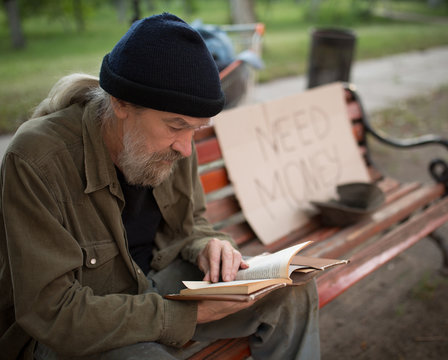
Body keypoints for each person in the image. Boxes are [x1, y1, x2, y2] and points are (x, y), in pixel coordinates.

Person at [0, 13, 320, 360]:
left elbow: (193, 221)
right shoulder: (37, 159)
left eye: (195, 130)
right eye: (175, 126)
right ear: (120, 103)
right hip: (84, 324)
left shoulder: (179, 143)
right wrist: (188, 314)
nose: (185, 147)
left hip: (157, 282)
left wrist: (207, 245)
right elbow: (53, 313)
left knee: (291, 291)